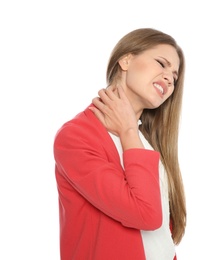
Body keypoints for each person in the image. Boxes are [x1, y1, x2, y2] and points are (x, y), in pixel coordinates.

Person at [53, 28, 186, 260]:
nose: (168, 78)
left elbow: (161, 233)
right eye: (161, 63)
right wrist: (127, 131)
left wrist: (131, 132)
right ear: (126, 59)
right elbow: (146, 214)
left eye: (174, 77)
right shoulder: (76, 137)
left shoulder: (147, 141)